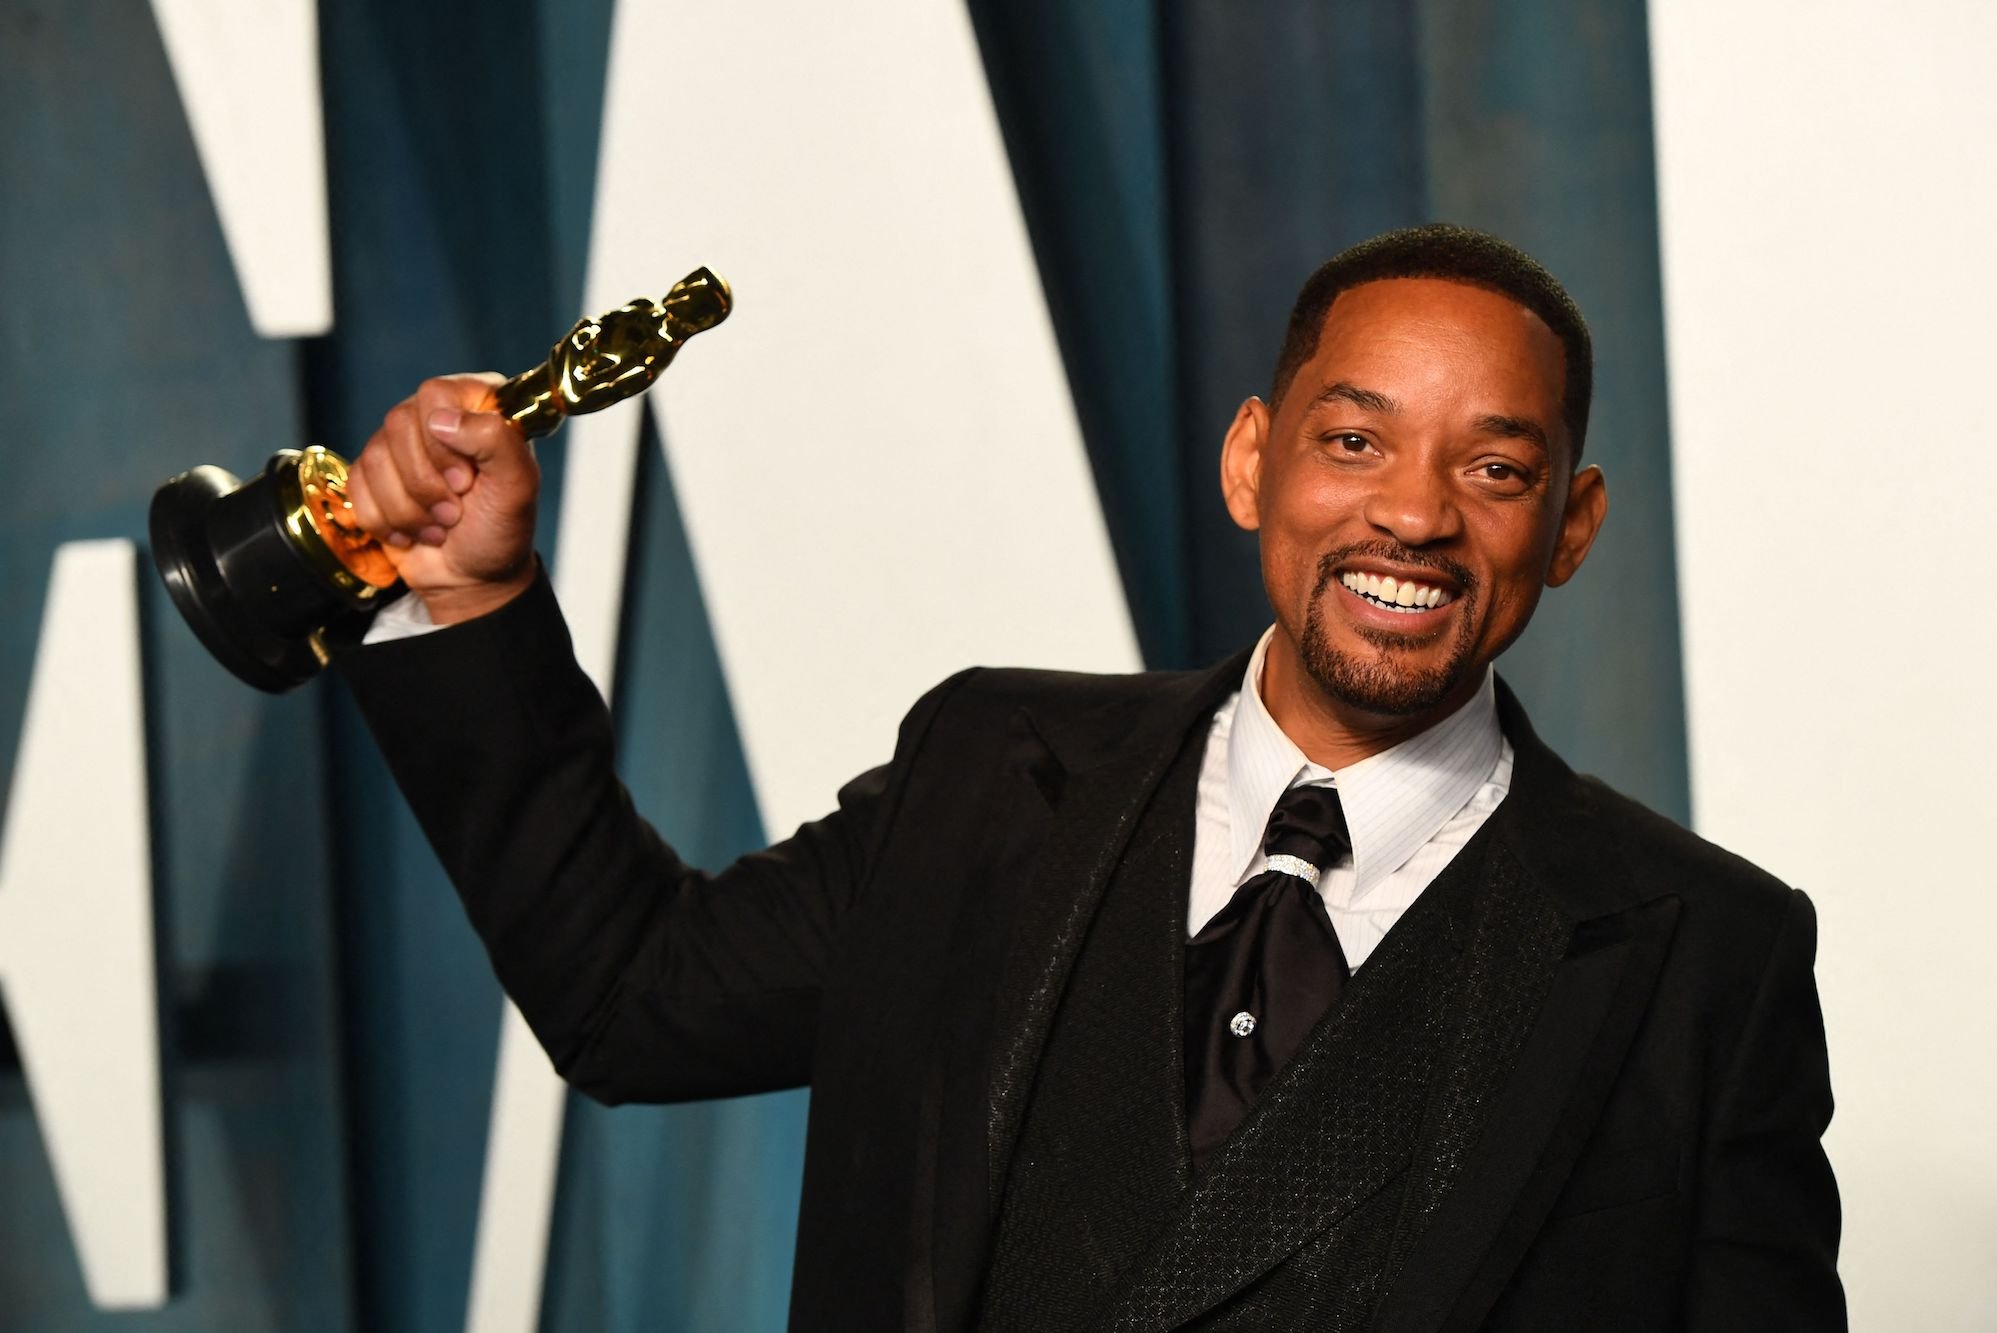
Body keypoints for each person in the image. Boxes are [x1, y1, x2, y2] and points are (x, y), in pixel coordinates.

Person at [335, 224, 1843, 1331]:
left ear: (1571, 527)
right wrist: (471, 608)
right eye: (1354, 438)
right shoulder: (989, 772)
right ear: (1255, 460)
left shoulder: (1703, 958)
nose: (1414, 515)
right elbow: (632, 992)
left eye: (1494, 470)